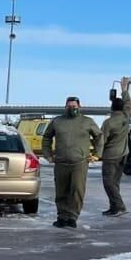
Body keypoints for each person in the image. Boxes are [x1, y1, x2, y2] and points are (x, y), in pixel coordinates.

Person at [43, 95, 101, 228]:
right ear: (65, 107)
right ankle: (62, 217)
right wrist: (48, 155)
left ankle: (72, 217)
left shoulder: (87, 121)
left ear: (79, 107)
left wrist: (97, 154)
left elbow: (99, 136)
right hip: (61, 162)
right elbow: (47, 137)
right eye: (69, 106)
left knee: (77, 191)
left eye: (74, 106)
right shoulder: (57, 121)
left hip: (79, 163)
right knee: (61, 191)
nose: (71, 108)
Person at [99, 93, 131, 217]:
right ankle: (113, 207)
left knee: (108, 183)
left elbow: (102, 141)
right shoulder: (125, 117)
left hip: (111, 156)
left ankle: (119, 206)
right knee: (115, 183)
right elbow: (128, 104)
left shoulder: (109, 123)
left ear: (112, 108)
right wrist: (124, 91)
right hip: (124, 154)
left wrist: (96, 154)